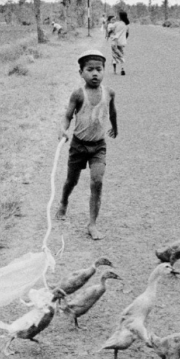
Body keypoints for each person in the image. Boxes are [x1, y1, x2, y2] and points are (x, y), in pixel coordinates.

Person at [57, 48, 118, 240]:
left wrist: (115, 127)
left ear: (103, 71)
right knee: (71, 181)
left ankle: (92, 224)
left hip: (98, 146)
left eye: (99, 69)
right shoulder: (78, 94)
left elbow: (113, 112)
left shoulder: (109, 93)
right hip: (78, 146)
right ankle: (63, 202)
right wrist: (63, 129)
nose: (95, 73)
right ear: (81, 73)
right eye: (90, 69)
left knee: (97, 182)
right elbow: (68, 116)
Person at [108, 10, 129, 75]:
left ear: (120, 17)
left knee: (114, 55)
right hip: (122, 42)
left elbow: (110, 29)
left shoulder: (116, 23)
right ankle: (122, 69)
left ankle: (115, 71)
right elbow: (127, 34)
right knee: (121, 53)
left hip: (115, 42)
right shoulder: (126, 25)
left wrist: (109, 33)